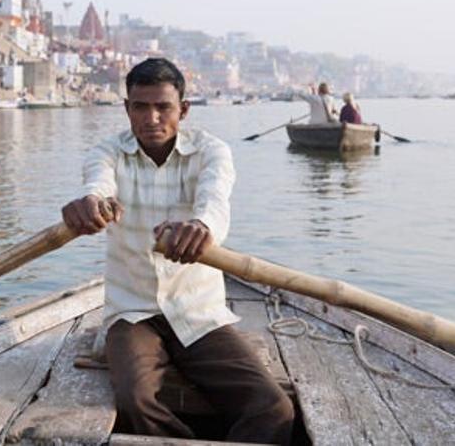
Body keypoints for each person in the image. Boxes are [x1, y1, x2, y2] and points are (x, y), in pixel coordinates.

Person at [62, 57, 293, 444]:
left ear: (183, 110)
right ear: (127, 109)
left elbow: (215, 201)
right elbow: (97, 184)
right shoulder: (108, 153)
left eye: (163, 107)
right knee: (134, 400)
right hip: (133, 312)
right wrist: (91, 203)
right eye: (140, 107)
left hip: (198, 311)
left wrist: (202, 228)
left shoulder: (210, 152)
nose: (151, 118)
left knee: (274, 409)